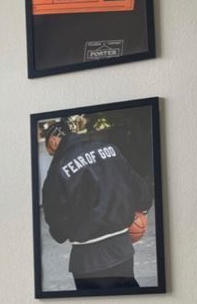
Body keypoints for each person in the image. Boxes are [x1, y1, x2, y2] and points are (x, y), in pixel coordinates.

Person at [41, 119, 152, 291]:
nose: (52, 156)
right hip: (122, 249)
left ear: (54, 141)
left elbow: (57, 229)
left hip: (87, 260)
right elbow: (140, 189)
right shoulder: (110, 149)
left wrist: (65, 230)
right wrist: (140, 211)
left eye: (50, 151)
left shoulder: (57, 171)